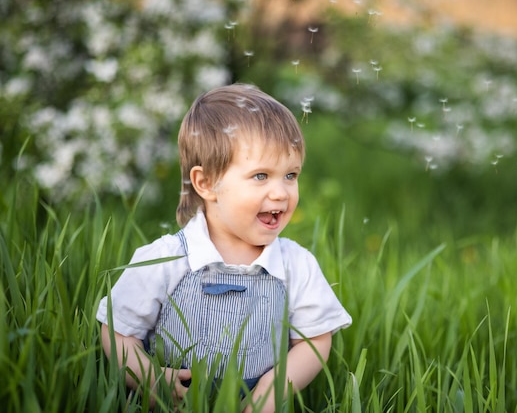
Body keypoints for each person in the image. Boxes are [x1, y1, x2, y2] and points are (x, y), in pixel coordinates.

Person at [96, 83, 352, 412]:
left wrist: (270, 393)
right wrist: (149, 378)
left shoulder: (295, 264)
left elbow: (315, 340)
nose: (281, 193)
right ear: (206, 183)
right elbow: (117, 331)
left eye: (290, 175)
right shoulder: (166, 259)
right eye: (261, 176)